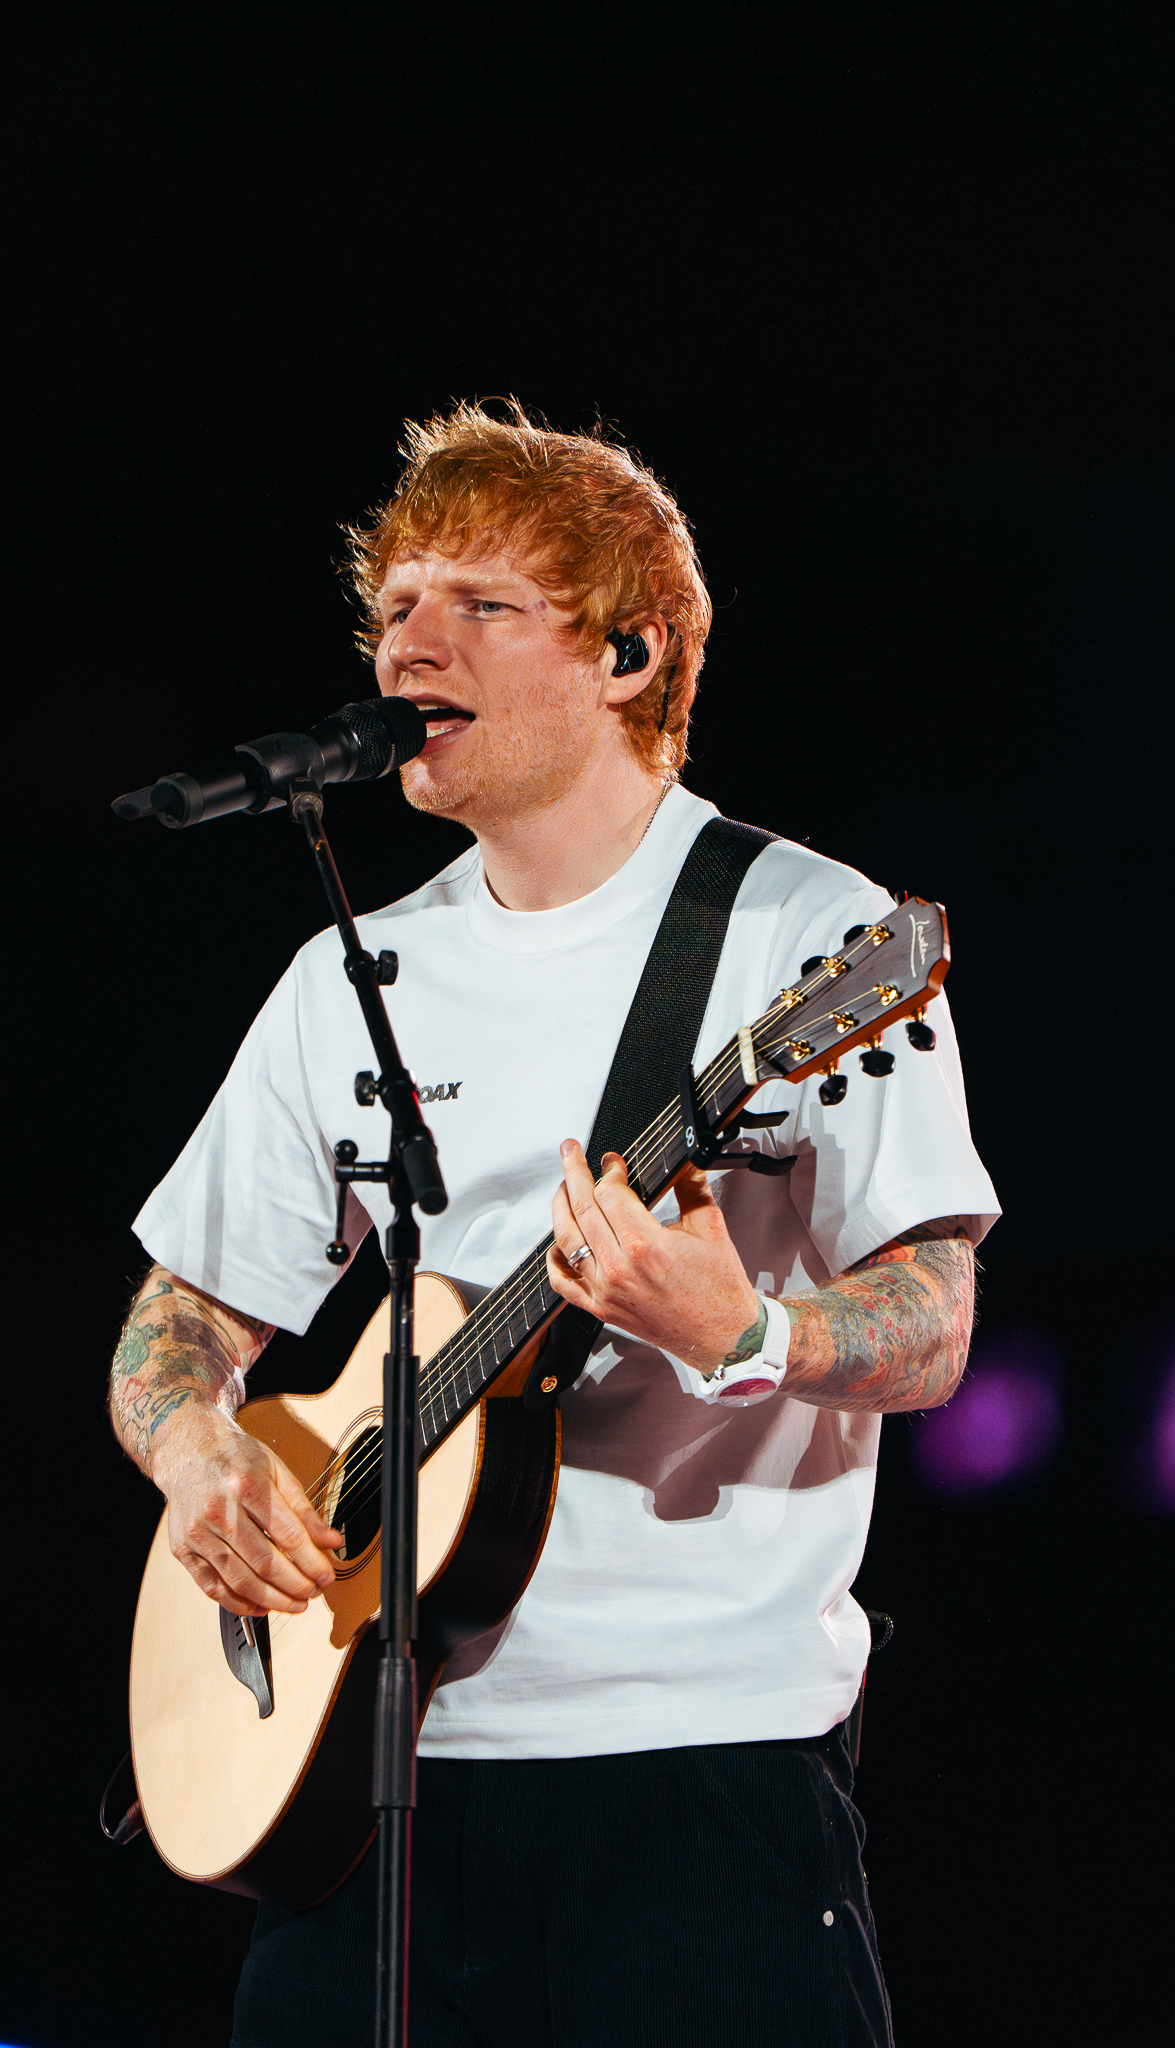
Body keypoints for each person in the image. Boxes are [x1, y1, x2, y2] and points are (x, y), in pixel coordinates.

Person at [110, 402, 998, 2047]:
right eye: (394, 607)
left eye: (481, 604)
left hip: (696, 1779)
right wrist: (200, 1457)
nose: (409, 645)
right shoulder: (352, 971)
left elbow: (932, 1321)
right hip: (370, 1773)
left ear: (629, 655)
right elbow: (180, 1317)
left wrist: (747, 1331)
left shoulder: (809, 938)